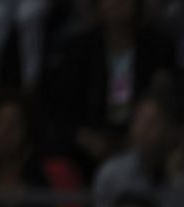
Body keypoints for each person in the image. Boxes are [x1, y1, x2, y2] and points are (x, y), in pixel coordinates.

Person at [43, 0, 176, 171]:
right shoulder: (77, 50)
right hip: (88, 146)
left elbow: (167, 102)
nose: (117, 2)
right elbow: (61, 110)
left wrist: (139, 136)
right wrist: (85, 138)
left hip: (143, 143)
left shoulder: (159, 47)